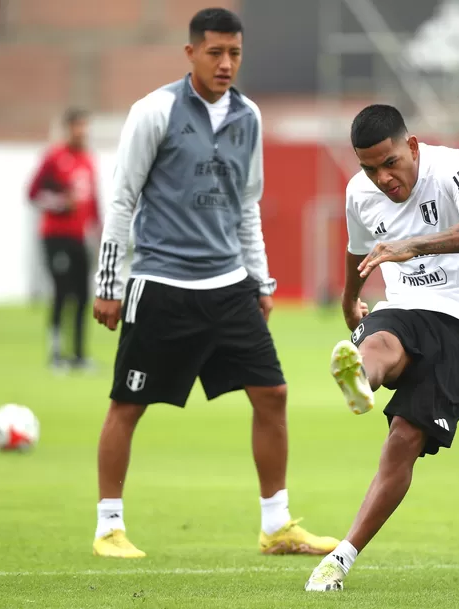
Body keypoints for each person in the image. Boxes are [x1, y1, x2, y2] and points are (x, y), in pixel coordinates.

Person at [91, 7, 339, 559]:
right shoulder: (153, 112)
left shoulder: (249, 117)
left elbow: (246, 206)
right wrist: (108, 282)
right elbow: (122, 199)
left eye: (235, 54)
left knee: (272, 394)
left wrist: (261, 280)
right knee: (127, 405)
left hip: (229, 287)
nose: (226, 64)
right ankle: (108, 526)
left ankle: (276, 526)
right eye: (215, 53)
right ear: (190, 54)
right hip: (160, 283)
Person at [305, 104, 459, 591]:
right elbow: (359, 250)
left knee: (404, 442)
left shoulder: (452, 167)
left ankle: (341, 557)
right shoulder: (359, 193)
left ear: (411, 146)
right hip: (406, 303)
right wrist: (351, 302)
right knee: (380, 341)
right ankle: (360, 377)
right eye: (369, 168)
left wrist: (413, 246)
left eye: (390, 162)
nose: (382, 177)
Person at [28, 108, 100, 371]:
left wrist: (99, 231)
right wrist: (60, 203)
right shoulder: (54, 158)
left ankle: (79, 355)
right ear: (67, 128)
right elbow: (33, 193)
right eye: (77, 127)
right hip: (55, 236)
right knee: (61, 292)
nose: (82, 132)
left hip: (80, 238)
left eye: (85, 127)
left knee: (82, 295)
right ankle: (56, 354)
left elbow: (93, 201)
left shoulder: (88, 160)